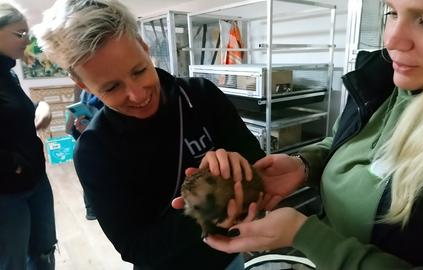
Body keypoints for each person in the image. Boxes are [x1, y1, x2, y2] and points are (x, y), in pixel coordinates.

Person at [190, 0, 423, 269]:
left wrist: (306, 236)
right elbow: (341, 142)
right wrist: (305, 164)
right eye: (391, 12)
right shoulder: (381, 81)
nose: (391, 40)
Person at [35, 0, 264, 269]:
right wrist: (211, 208)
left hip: (232, 259)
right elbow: (136, 248)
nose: (138, 95)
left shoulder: (201, 95)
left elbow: (256, 163)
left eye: (139, 70)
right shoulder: (94, 151)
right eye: (111, 87)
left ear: (144, 47)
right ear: (82, 83)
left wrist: (238, 163)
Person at [0, 2, 57, 269]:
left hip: (35, 180)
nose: (27, 40)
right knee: (14, 261)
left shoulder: (7, 75)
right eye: (19, 34)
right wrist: (15, 165)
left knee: (44, 250)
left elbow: (15, 116)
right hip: (7, 192)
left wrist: (41, 107)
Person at [65, 87, 103, 220]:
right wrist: (82, 128)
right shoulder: (86, 92)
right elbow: (71, 129)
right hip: (92, 145)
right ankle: (92, 209)